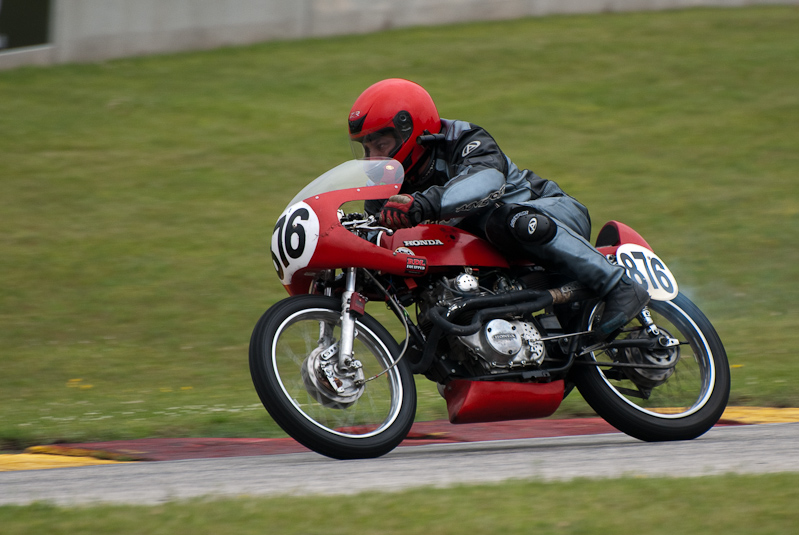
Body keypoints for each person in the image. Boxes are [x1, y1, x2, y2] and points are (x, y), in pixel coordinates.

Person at [348, 78, 649, 338]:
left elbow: (487, 181)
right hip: (491, 253)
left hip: (548, 212)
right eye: (366, 148)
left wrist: (425, 204)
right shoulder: (387, 185)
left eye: (381, 145)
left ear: (410, 130)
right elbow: (378, 232)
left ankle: (618, 284)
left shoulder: (462, 139)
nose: (372, 157)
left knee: (505, 219)